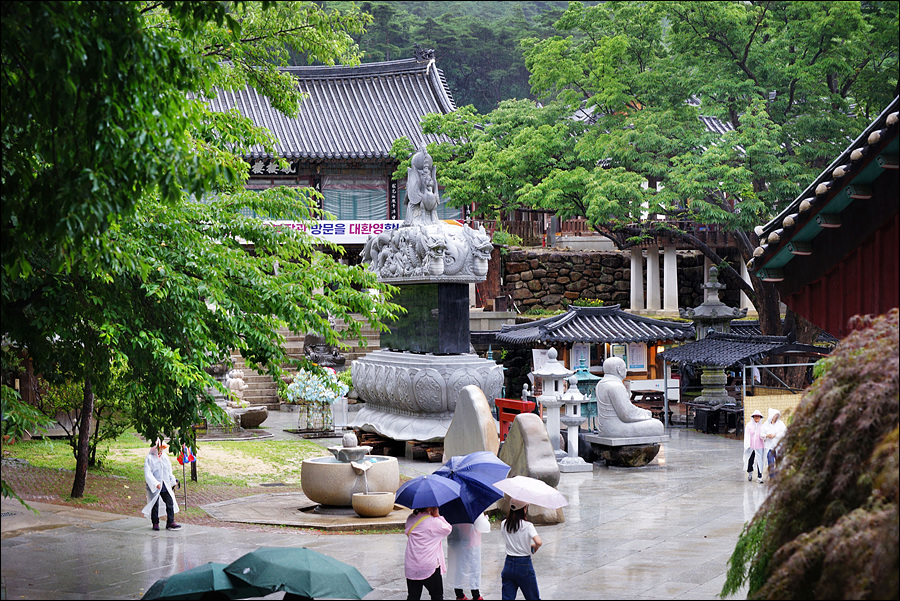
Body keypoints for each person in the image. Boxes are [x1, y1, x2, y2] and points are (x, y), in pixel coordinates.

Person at [404, 506, 452, 601]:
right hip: (429, 566)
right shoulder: (434, 522)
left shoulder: (410, 518)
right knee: (437, 596)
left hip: (412, 566)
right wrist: (437, 516)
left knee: (413, 597)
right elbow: (448, 529)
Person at [500, 500, 542, 600]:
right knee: (532, 597)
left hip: (509, 563)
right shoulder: (528, 526)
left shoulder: (504, 524)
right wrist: (534, 547)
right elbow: (539, 542)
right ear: (524, 509)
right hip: (524, 565)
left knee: (507, 597)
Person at [447, 514, 490, 601]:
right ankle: (476, 596)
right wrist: (485, 518)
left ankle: (459, 595)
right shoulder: (473, 510)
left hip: (457, 543)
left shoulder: (452, 508)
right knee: (473, 570)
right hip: (471, 544)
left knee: (458, 569)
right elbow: (483, 527)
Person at [142, 438, 181, 531]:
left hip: (164, 484)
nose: (161, 450)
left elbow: (168, 470)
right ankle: (155, 522)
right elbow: (148, 473)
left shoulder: (164, 457)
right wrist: (155, 483)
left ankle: (170, 521)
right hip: (155, 485)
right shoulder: (149, 458)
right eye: (160, 448)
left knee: (169, 501)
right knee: (155, 504)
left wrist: (172, 481)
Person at [762, 407, 787, 479]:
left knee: (779, 462)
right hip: (769, 447)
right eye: (774, 415)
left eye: (777, 415)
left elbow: (784, 432)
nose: (775, 417)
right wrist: (767, 436)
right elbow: (761, 435)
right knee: (771, 462)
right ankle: (772, 477)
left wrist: (775, 435)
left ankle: (778, 476)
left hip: (778, 446)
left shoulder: (781, 424)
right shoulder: (766, 424)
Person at [743, 410, 765, 483]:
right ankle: (750, 472)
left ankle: (759, 476)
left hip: (760, 446)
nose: (757, 418)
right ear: (753, 417)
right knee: (751, 460)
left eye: (758, 417)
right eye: (755, 416)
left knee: (760, 461)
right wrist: (747, 445)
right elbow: (747, 435)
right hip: (751, 446)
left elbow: (764, 435)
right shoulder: (749, 425)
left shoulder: (762, 426)